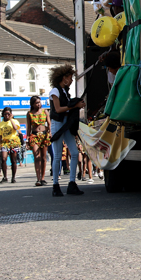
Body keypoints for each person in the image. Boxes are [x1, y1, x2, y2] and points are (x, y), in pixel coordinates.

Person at [48, 64, 84, 197]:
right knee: (58, 155)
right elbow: (58, 109)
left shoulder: (64, 92)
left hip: (66, 123)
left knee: (74, 152)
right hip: (57, 123)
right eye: (70, 77)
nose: (71, 80)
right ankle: (55, 185)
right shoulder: (55, 91)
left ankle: (72, 183)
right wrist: (74, 106)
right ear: (64, 78)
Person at [25, 96, 50, 187]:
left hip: (44, 135)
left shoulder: (45, 111)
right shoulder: (29, 113)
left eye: (39, 102)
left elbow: (49, 123)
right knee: (37, 157)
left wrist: (50, 132)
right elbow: (28, 127)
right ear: (32, 104)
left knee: (43, 158)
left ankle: (42, 178)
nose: (38, 104)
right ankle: (38, 178)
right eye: (36, 103)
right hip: (34, 135)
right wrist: (27, 139)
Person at [0, 107, 21, 184]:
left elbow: (15, 128)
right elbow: (0, 135)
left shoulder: (15, 121)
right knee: (3, 159)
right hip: (5, 142)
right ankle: (5, 177)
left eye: (8, 114)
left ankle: (13, 177)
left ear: (11, 114)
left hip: (13, 142)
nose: (6, 115)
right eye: (5, 114)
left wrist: (11, 119)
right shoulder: (1, 124)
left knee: (13, 160)